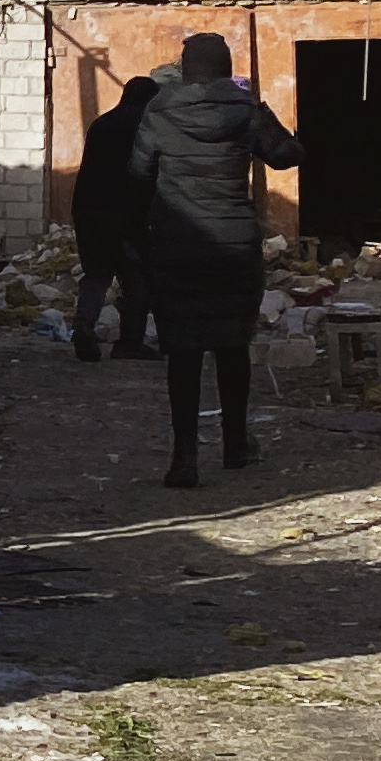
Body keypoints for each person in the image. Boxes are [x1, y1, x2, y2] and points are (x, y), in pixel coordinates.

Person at [128, 31, 299, 488]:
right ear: (225, 69)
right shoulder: (245, 112)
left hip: (177, 244)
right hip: (234, 243)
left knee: (183, 351)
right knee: (231, 345)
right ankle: (236, 444)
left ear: (186, 70)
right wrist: (265, 114)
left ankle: (184, 457)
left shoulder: (158, 112)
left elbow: (138, 174)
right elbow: (286, 157)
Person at [69, 72, 164, 362]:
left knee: (97, 274)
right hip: (123, 213)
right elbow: (147, 175)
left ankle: (84, 325)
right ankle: (129, 342)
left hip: (86, 210)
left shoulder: (101, 124)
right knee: (137, 278)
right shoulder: (147, 127)